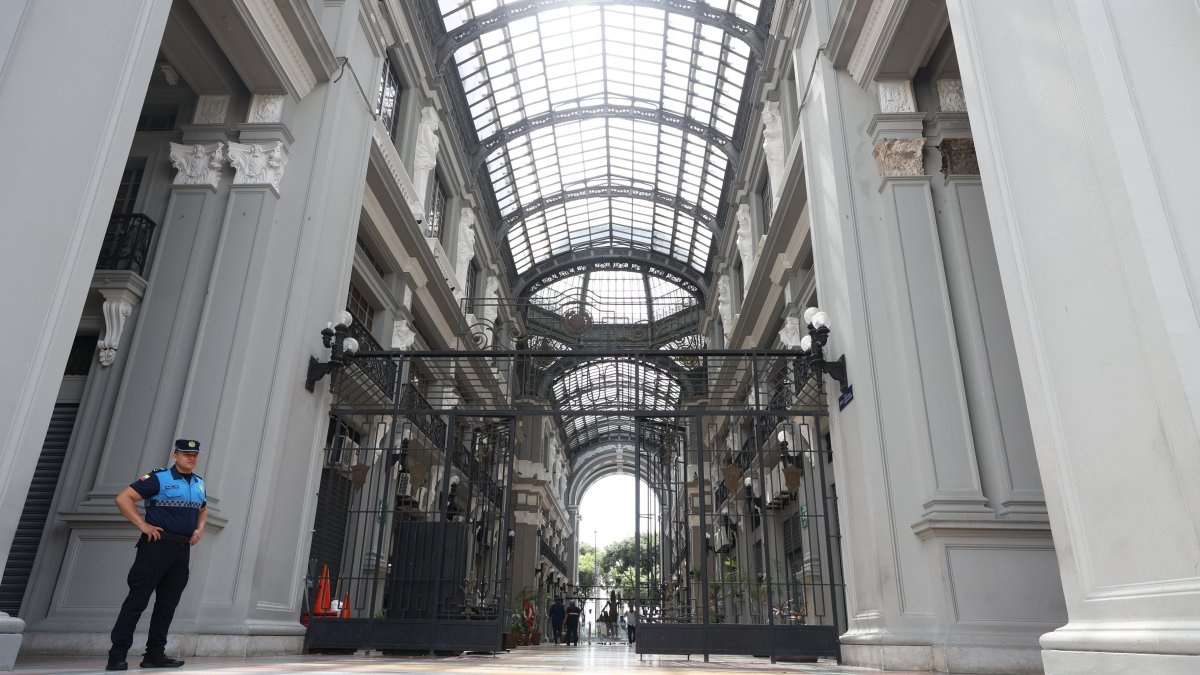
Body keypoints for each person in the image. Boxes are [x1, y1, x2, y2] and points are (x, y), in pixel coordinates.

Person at [106, 439, 207, 671]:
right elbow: (123, 499)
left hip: (182, 551)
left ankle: (154, 655)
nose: (191, 457)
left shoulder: (199, 483)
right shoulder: (158, 478)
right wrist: (142, 524)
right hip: (156, 547)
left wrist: (200, 529)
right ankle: (117, 654)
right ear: (175, 456)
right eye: (186, 453)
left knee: (167, 605)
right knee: (137, 601)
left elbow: (203, 510)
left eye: (195, 454)